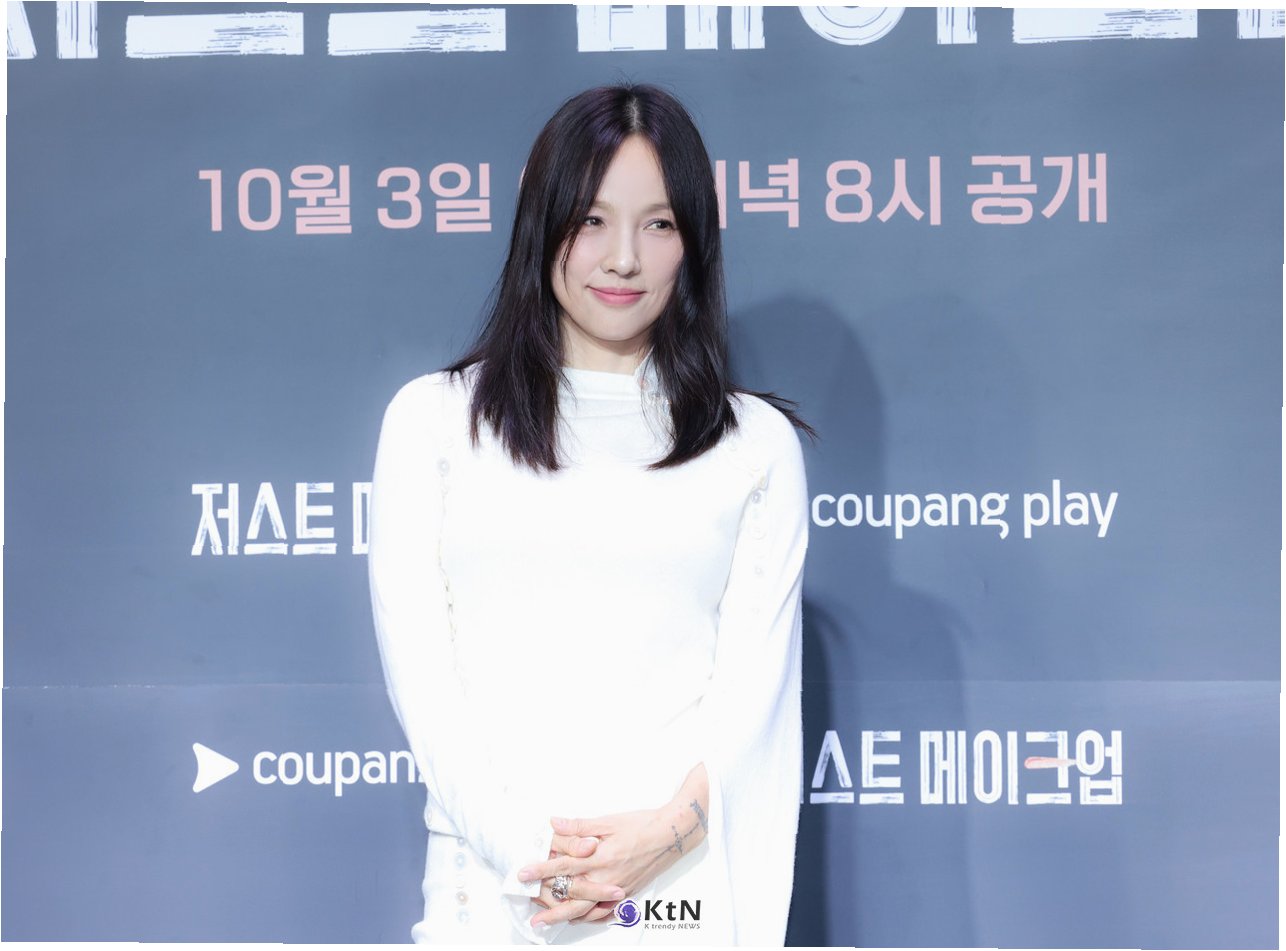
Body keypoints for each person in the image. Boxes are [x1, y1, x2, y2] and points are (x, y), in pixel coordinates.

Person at [366, 82, 815, 946]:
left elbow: (751, 708)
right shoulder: (434, 422)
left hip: (673, 894)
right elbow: (423, 684)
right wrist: (539, 858)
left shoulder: (753, 444)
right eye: (592, 220)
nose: (623, 259)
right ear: (543, 223)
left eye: (659, 224)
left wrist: (655, 845)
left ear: (695, 241)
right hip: (492, 886)